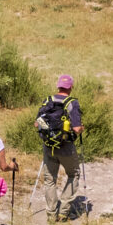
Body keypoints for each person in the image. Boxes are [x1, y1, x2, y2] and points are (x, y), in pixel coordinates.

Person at [34, 76, 84, 215]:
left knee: (50, 180)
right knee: (74, 174)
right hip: (66, 147)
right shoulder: (72, 103)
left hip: (48, 146)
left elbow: (37, 123)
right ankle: (64, 210)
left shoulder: (48, 101)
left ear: (58, 86)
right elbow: (76, 129)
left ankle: (51, 212)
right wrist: (82, 129)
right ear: (70, 87)